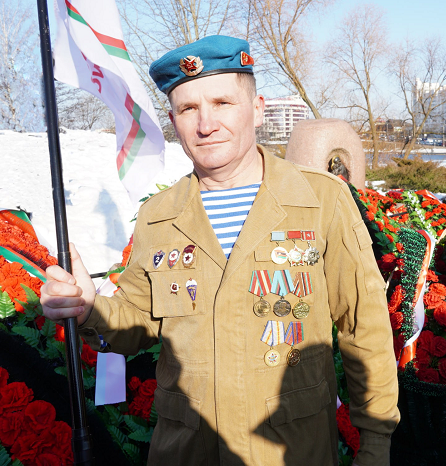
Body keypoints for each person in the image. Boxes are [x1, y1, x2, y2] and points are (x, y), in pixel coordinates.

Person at [40, 36, 399, 465]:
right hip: (187, 452)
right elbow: (136, 320)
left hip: (291, 451)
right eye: (188, 109)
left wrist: (375, 443)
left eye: (223, 102)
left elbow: (364, 325)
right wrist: (88, 308)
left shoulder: (321, 200)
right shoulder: (158, 216)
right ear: (174, 119)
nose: (205, 123)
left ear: (258, 108)